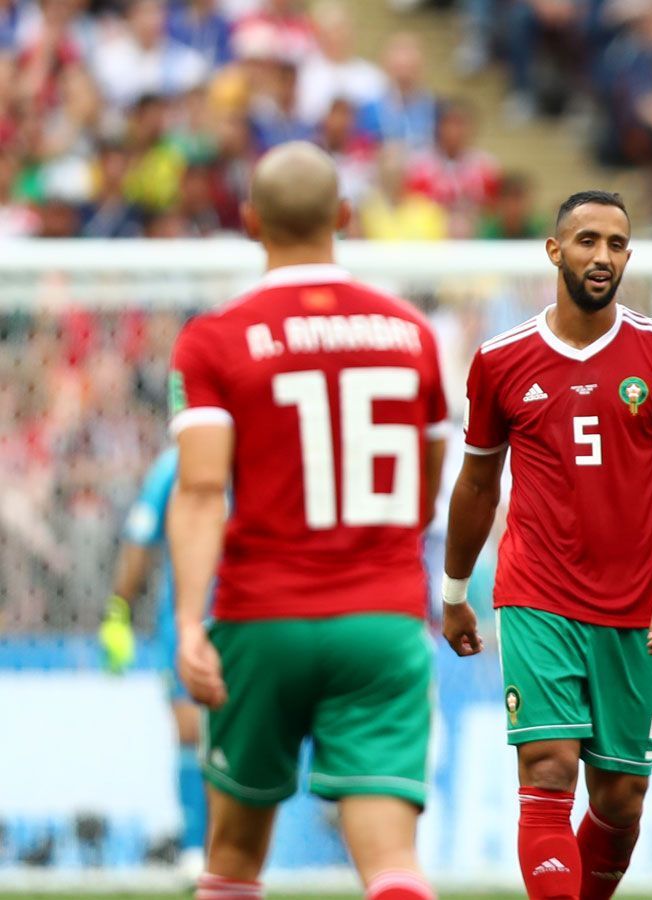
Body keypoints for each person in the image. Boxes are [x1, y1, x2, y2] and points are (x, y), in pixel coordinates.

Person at [167, 141, 449, 900]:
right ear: (346, 216)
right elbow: (426, 491)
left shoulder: (216, 338)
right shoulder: (410, 333)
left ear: (251, 220)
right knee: (392, 866)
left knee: (231, 861)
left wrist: (190, 625)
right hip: (382, 621)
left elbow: (198, 490)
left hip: (262, 617)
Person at [440, 189, 652, 900]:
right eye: (588, 240)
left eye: (617, 244)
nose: (603, 256)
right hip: (538, 594)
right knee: (549, 767)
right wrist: (455, 591)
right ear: (554, 250)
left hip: (636, 604)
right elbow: (476, 485)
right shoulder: (501, 361)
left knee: (620, 801)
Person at [102, 446, 206, 871]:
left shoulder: (255, 456)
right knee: (189, 729)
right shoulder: (173, 466)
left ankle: (228, 844)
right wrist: (118, 613)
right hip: (183, 619)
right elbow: (139, 540)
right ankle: (195, 845)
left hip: (246, 615)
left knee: (239, 735)